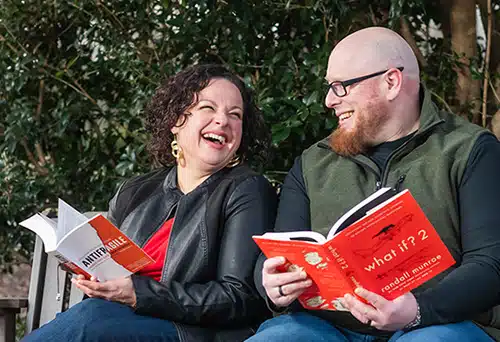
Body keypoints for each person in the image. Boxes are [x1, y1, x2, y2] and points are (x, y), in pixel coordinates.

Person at [247, 27, 500, 342]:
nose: (328, 100)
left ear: (391, 82)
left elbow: (491, 263)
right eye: (329, 87)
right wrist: (270, 281)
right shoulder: (314, 162)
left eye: (341, 87)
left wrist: (418, 310)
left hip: (435, 324)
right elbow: (277, 252)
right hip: (325, 328)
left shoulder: (469, 149)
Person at [23, 64, 277, 342]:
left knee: (88, 322)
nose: (223, 121)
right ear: (176, 121)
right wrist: (95, 277)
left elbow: (238, 297)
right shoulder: (136, 191)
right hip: (116, 321)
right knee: (90, 318)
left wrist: (139, 294)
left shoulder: (247, 190)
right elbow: (110, 269)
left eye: (235, 115)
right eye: (208, 108)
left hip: (193, 333)